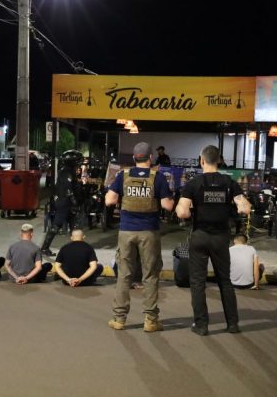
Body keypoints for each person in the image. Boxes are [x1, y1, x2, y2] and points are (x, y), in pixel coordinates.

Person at [176, 145, 250, 335]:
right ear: (219, 160)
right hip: (220, 237)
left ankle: (201, 325)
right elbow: (245, 208)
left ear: (202, 161)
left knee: (198, 282)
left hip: (200, 236)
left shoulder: (194, 183)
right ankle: (232, 324)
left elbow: (182, 212)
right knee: (225, 281)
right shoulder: (228, 182)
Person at [104, 142, 175, 331]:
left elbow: (110, 200)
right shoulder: (157, 177)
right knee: (150, 275)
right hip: (149, 232)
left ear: (135, 158)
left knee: (124, 275)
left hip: (126, 230)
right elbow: (168, 206)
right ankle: (150, 320)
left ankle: (119, 319)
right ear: (150, 158)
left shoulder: (123, 176)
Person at [40, 152, 80, 256]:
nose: (77, 163)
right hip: (65, 202)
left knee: (73, 225)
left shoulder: (67, 171)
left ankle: (76, 248)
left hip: (64, 201)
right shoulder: (67, 172)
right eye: (76, 161)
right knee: (57, 225)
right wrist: (74, 201)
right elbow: (68, 189)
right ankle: (44, 248)